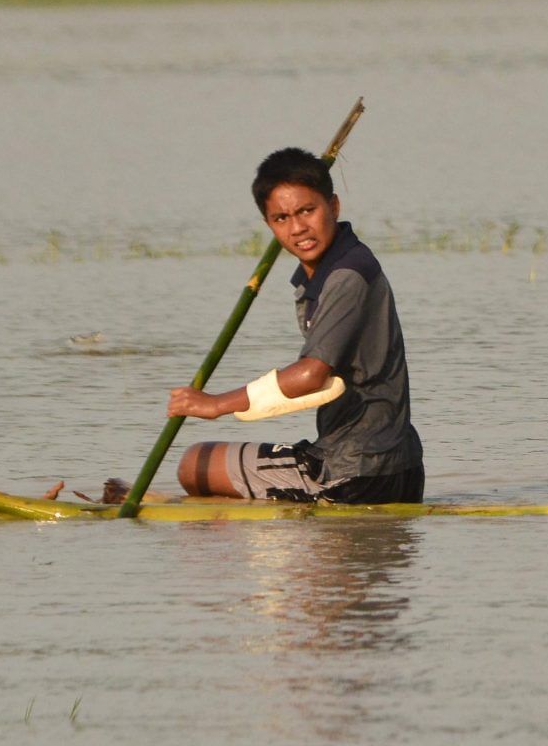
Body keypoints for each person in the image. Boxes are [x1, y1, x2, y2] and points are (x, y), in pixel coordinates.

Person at [108, 147, 425, 504]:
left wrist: (215, 404)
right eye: (282, 218)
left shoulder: (347, 276)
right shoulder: (336, 268)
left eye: (308, 211)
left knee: (194, 463)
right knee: (212, 477)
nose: (298, 228)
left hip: (352, 473)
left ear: (333, 207)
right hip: (397, 470)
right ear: (269, 225)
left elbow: (310, 375)